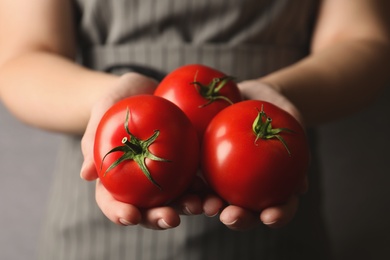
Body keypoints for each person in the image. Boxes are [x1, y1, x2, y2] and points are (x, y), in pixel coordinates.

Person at [0, 0, 389, 259]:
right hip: (94, 221)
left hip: (274, 212)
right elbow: (21, 59)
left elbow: (364, 40)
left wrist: (279, 94)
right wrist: (115, 104)